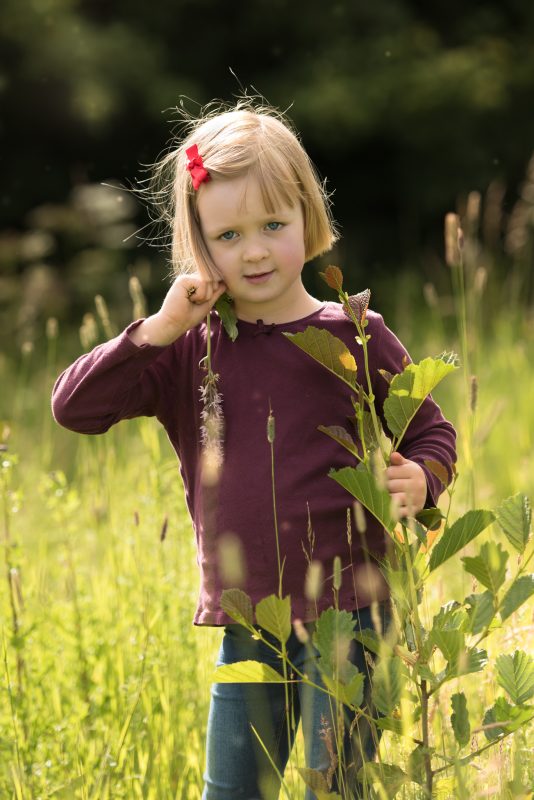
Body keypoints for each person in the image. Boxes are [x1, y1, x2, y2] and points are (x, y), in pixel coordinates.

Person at [52, 100, 457, 800]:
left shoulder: (355, 333)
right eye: (229, 234)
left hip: (354, 615)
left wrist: (422, 476)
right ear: (200, 245)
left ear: (308, 215)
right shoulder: (187, 350)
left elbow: (431, 430)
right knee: (234, 792)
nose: (256, 250)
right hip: (250, 623)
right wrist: (158, 325)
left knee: (341, 787)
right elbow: (75, 409)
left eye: (274, 225)